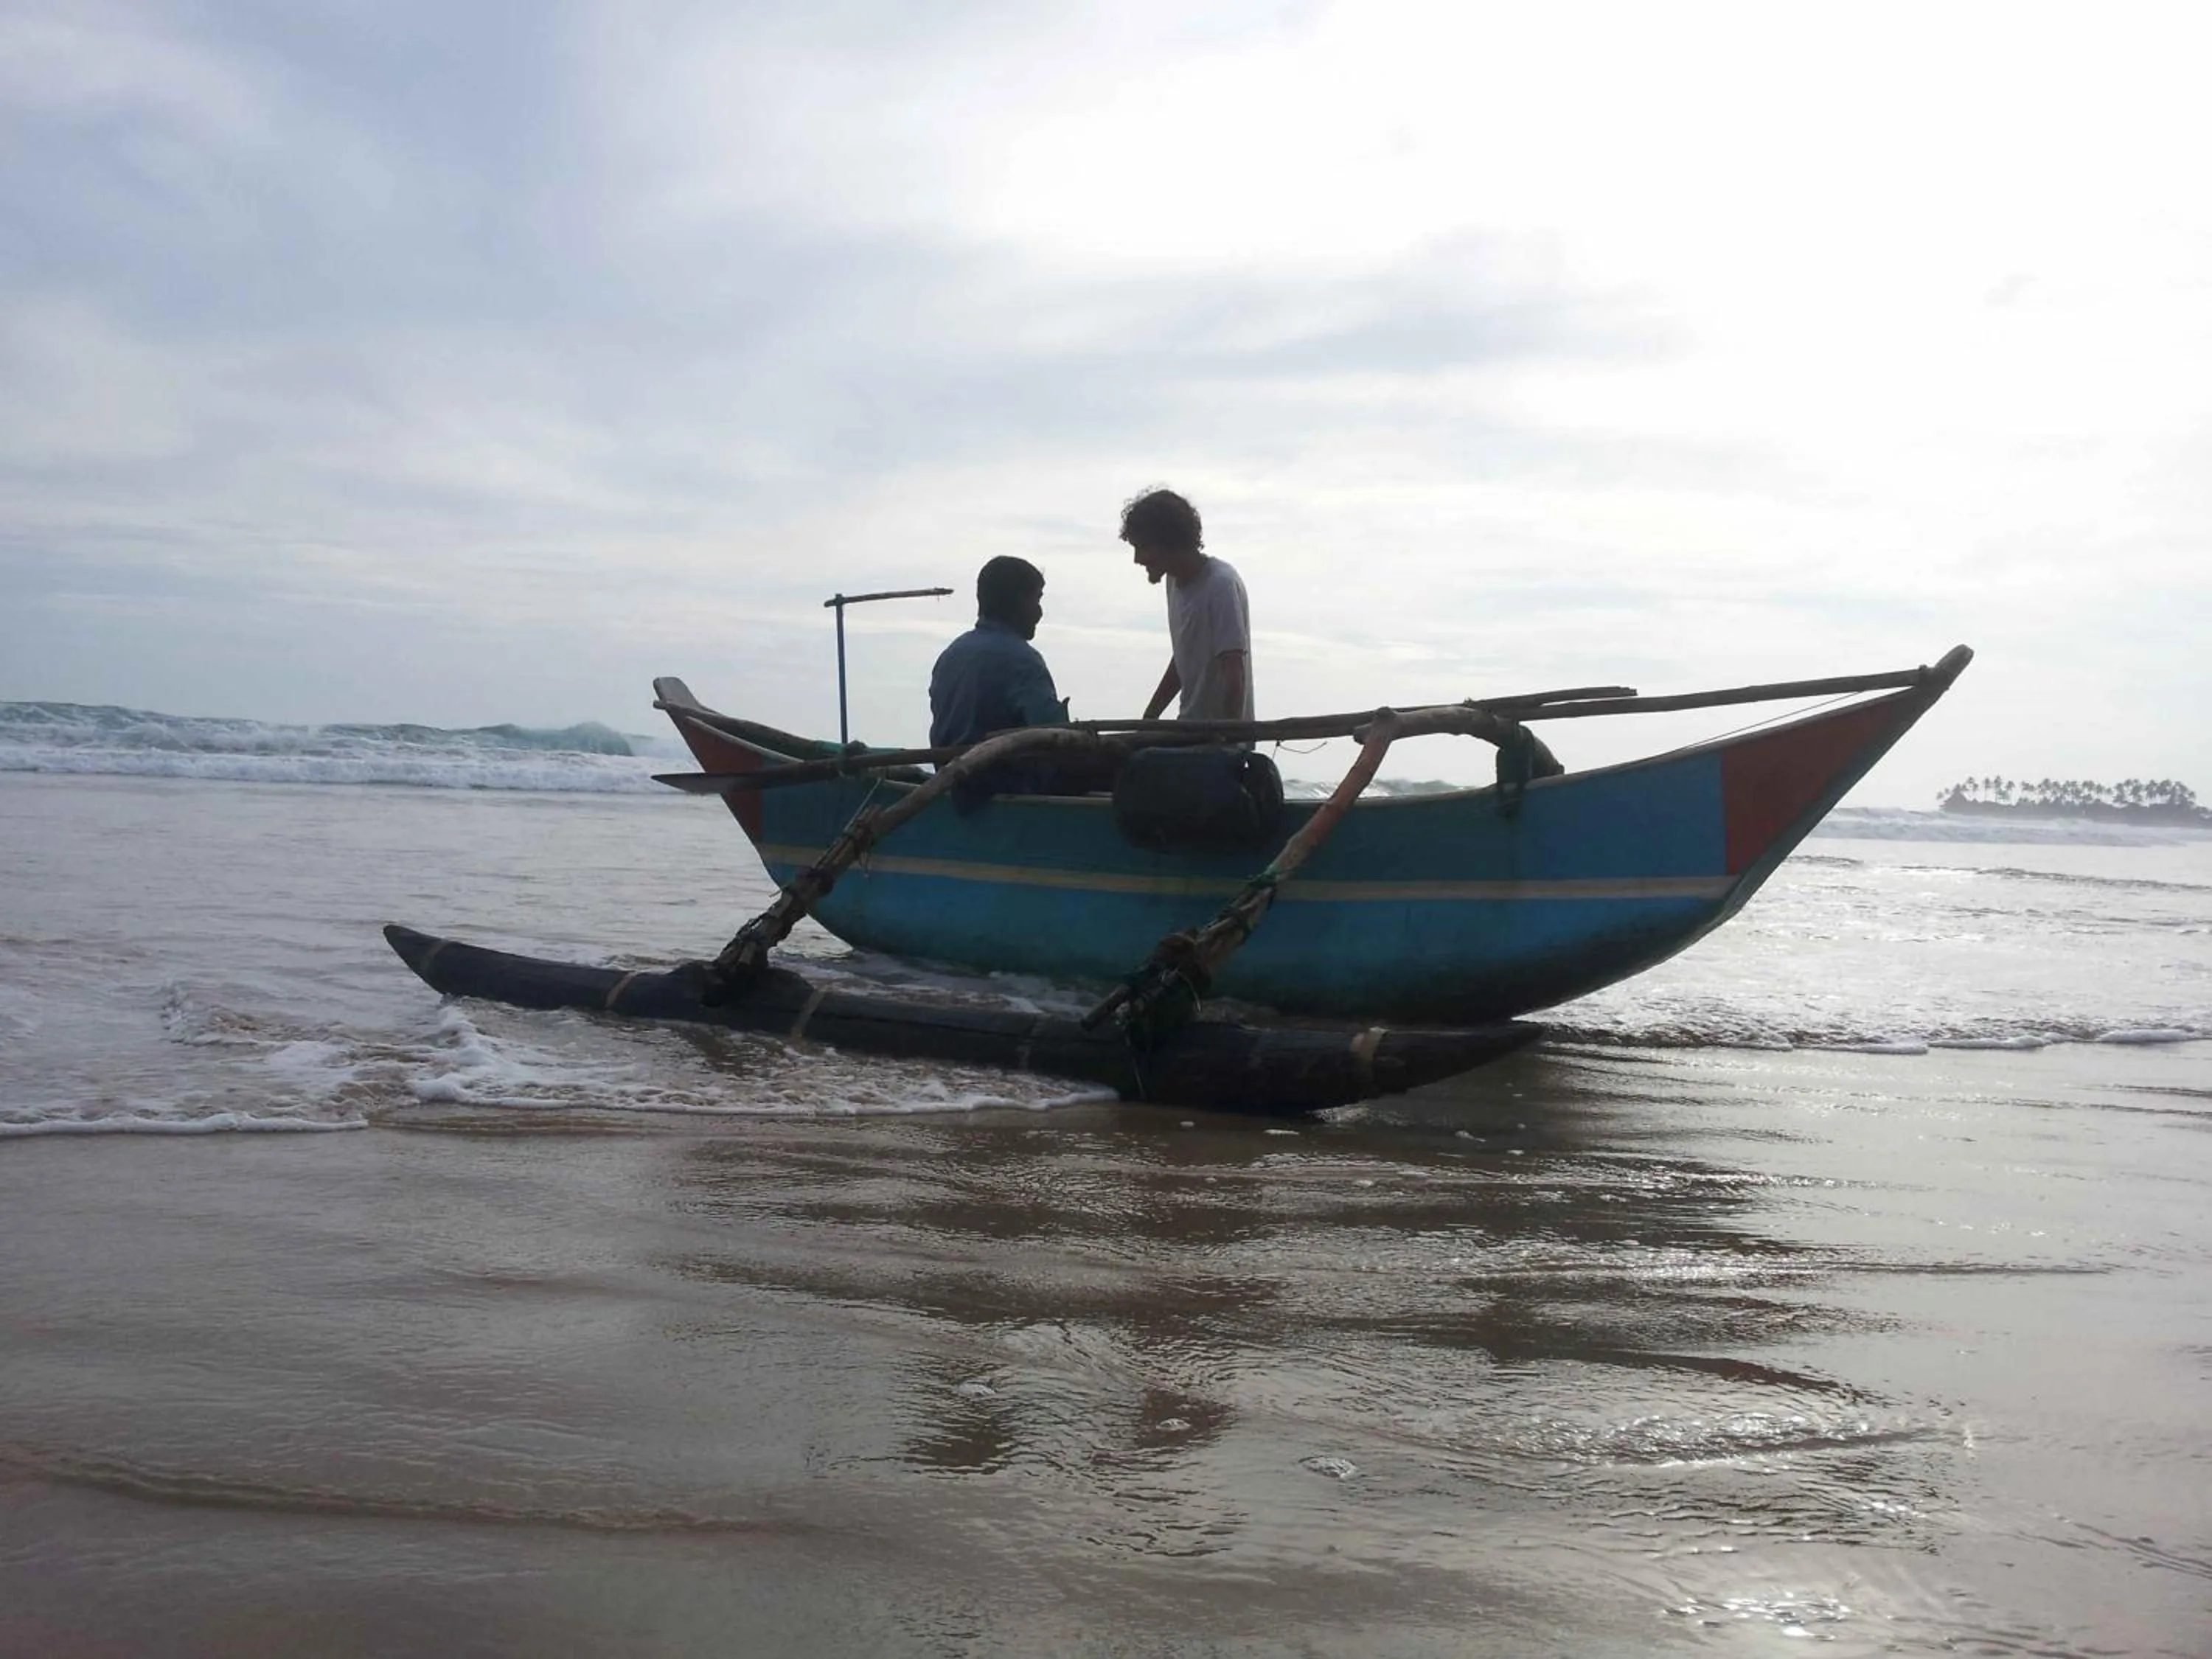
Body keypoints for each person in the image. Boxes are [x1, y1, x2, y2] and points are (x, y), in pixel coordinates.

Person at [1120, 487, 1254, 723]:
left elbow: (1234, 672)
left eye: (1143, 548)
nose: (1137, 559)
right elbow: (1184, 658)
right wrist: (1150, 717)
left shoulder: (1220, 585)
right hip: (1190, 728)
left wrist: (1229, 738)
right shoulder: (1174, 583)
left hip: (1217, 735)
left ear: (1169, 543)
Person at [928, 555, 1068, 748]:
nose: (1039, 612)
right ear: (1017, 601)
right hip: (1003, 767)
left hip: (950, 766)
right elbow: (1055, 736)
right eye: (1035, 600)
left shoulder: (949, 657)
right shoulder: (1022, 661)